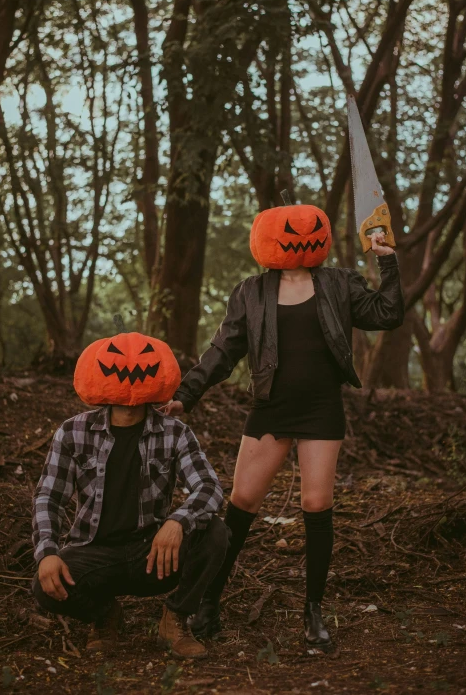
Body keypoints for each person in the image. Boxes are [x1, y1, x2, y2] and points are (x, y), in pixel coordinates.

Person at [162, 202, 404, 654]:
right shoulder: (250, 292)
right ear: (267, 240)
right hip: (271, 408)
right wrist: (188, 392)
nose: (301, 236)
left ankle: (313, 613)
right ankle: (208, 602)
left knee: (317, 504)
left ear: (322, 234)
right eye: (291, 232)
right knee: (242, 503)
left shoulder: (339, 282)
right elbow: (223, 350)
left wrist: (386, 259)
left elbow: (387, 314)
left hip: (321, 408)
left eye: (311, 228)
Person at [31, 329, 228, 659]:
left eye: (144, 358)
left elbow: (209, 488)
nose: (130, 368)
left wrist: (178, 521)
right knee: (45, 585)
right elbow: (48, 497)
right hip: (94, 554)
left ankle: (175, 618)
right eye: (115, 361)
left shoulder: (175, 432)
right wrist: (47, 551)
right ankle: (104, 616)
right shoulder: (72, 431)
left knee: (216, 532)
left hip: (152, 556)